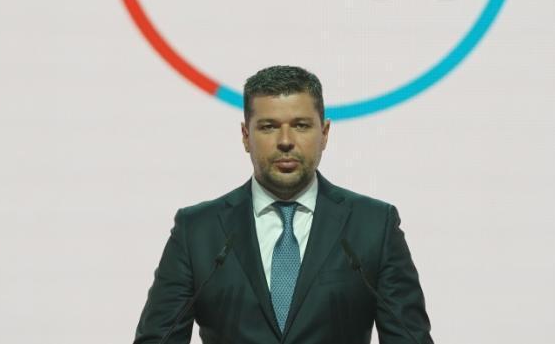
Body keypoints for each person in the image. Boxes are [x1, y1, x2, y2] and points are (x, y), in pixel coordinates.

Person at [133, 66, 433, 344]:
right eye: (269, 127)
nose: (286, 141)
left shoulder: (373, 226)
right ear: (246, 136)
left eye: (301, 126)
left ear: (324, 133)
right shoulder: (198, 231)